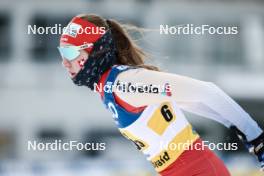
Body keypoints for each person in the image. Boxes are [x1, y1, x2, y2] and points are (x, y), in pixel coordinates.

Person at [58, 14, 264, 176]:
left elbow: (206, 91)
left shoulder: (127, 84)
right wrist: (234, 125)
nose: (64, 62)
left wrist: (255, 137)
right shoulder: (109, 86)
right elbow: (188, 101)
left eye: (70, 53)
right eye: (62, 53)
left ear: (97, 50)